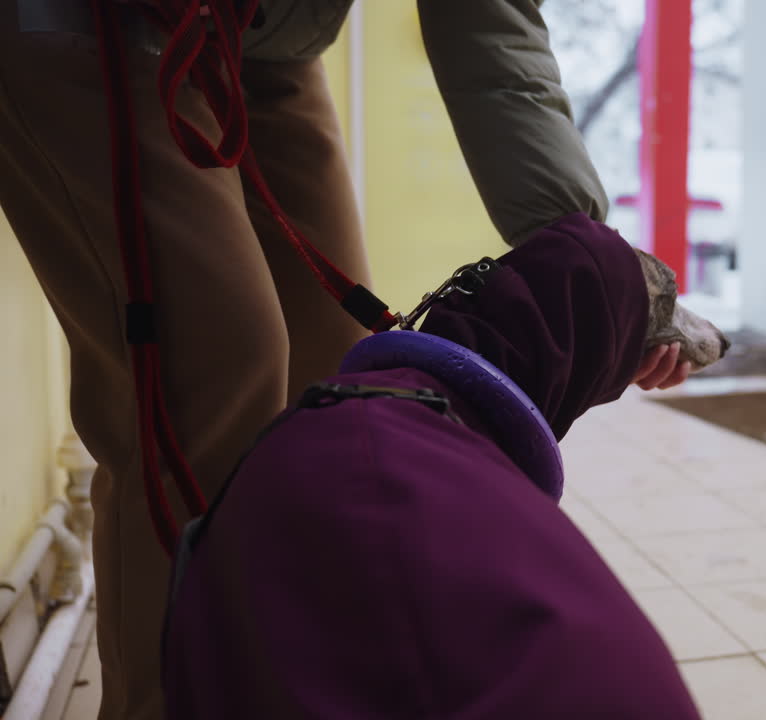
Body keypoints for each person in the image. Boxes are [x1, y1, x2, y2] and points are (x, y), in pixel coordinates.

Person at [0, 1, 686, 717]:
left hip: (271, 42)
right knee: (213, 370)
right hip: (102, 20)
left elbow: (490, 33)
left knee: (341, 375)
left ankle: (296, 675)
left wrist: (607, 280)